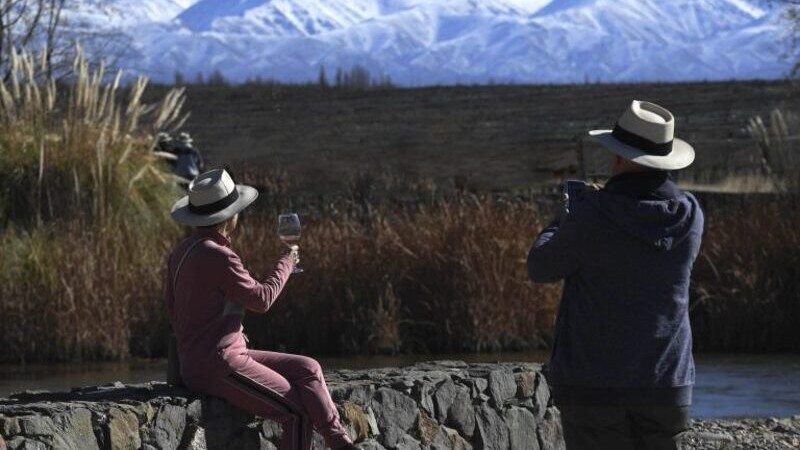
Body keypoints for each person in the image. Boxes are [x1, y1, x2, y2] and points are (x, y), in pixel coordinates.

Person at [527, 100, 704, 450]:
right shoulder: (690, 215)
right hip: (667, 381)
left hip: (594, 384)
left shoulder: (592, 216)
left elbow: (541, 266)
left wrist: (563, 220)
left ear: (621, 158)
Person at [165, 169, 356, 450]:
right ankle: (338, 441)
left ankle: (338, 440)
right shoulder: (219, 255)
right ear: (231, 216)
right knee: (297, 413)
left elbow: (172, 310)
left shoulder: (181, 252)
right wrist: (287, 261)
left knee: (308, 368)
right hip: (218, 364)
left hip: (206, 359)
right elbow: (261, 299)